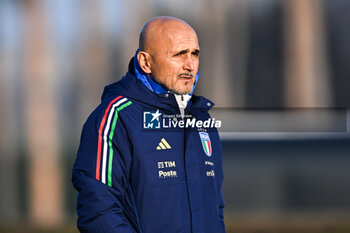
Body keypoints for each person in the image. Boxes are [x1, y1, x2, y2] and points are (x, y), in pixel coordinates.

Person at [72, 16, 225, 233]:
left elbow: (215, 208)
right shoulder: (116, 117)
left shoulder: (202, 120)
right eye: (179, 54)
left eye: (195, 53)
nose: (190, 64)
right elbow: (98, 212)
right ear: (145, 62)